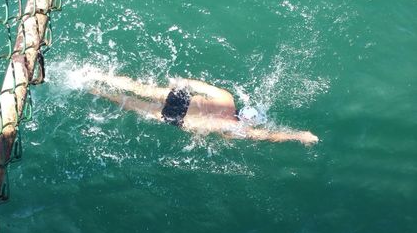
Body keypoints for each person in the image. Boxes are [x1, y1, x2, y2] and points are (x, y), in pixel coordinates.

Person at [87, 74, 319, 146]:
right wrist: (299, 135)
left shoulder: (227, 98)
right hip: (178, 118)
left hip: (182, 98)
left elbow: (197, 85)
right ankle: (97, 92)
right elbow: (270, 135)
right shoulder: (235, 128)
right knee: (135, 104)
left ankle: (99, 75)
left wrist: (180, 83)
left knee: (141, 88)